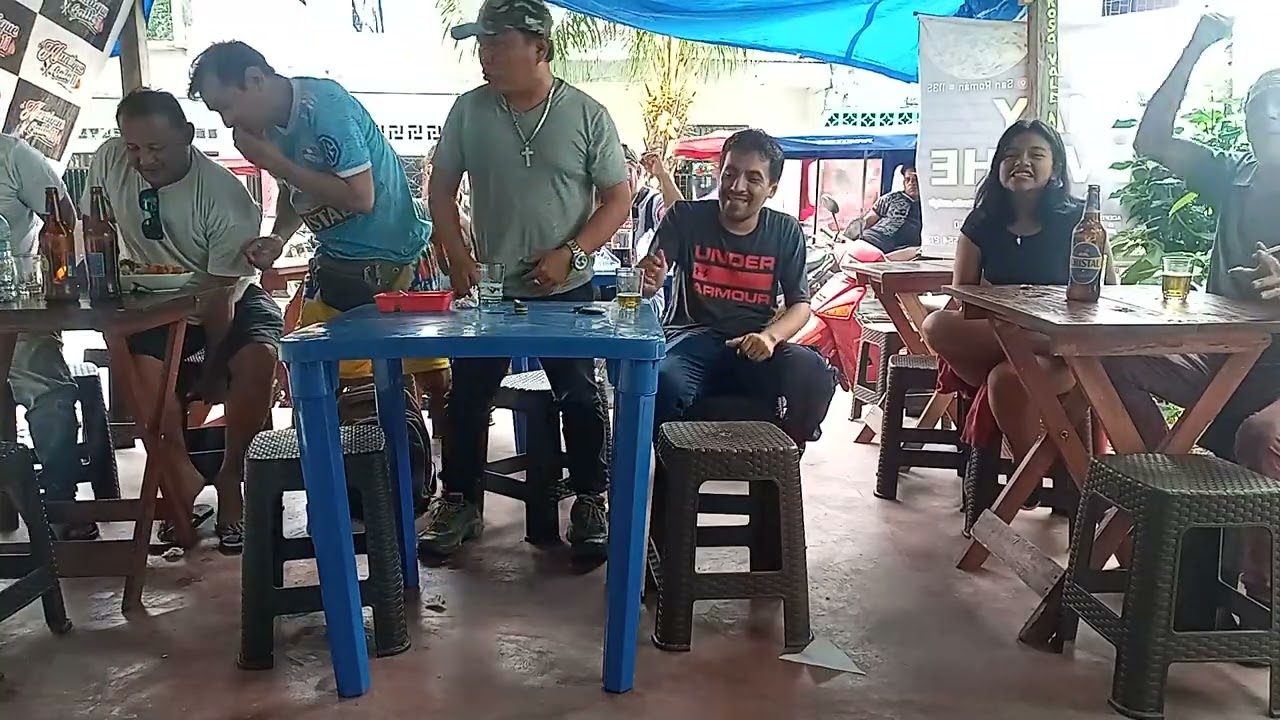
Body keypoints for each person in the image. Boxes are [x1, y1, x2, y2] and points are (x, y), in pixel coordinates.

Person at [421, 0, 630, 560]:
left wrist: (572, 252)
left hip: (567, 290)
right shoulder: (469, 111)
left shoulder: (588, 114)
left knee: (582, 396)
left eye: (497, 44)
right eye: (481, 45)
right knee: (467, 397)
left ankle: (590, 499)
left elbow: (618, 200)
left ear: (539, 48)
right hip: (490, 293)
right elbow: (439, 189)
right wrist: (456, 252)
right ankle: (459, 499)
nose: (485, 56)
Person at [1103, 13, 1280, 602]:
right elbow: (1149, 140)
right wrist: (1196, 46)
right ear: (1248, 118)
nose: (1272, 111)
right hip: (1220, 364)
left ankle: (1259, 599)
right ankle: (1177, 486)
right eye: (1261, 101)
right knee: (1112, 363)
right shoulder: (1232, 176)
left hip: (1274, 387)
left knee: (1260, 437)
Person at [84, 89, 282, 552]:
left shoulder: (224, 195)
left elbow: (218, 297)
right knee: (141, 378)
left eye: (156, 148)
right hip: (150, 301)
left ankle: (234, 480)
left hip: (224, 296)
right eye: (133, 147)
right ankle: (181, 481)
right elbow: (95, 227)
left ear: (188, 137)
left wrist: (213, 371)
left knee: (257, 357)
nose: (143, 160)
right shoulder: (110, 161)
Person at [187, 41, 447, 394]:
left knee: (432, 381)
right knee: (333, 385)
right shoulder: (267, 130)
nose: (229, 121)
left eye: (228, 106)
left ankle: (436, 446)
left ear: (255, 78)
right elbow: (296, 192)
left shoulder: (325, 106)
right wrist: (279, 237)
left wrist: (275, 162)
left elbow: (361, 197)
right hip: (337, 267)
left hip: (398, 258)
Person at [921, 120, 1112, 462]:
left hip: (1069, 354)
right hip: (1006, 341)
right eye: (1011, 155)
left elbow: (1109, 291)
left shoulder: (1080, 222)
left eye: (1035, 154)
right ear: (998, 167)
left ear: (1055, 168)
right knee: (937, 326)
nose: (1021, 162)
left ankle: (1028, 475)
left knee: (1005, 378)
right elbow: (963, 299)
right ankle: (1032, 473)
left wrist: (1060, 335)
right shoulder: (982, 222)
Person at [638, 129, 837, 447]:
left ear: (771, 188)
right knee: (661, 383)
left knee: (814, 373)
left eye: (753, 179)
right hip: (690, 342)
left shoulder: (785, 231)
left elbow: (800, 305)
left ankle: (782, 455)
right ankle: (674, 472)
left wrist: (770, 337)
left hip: (754, 346)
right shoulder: (685, 217)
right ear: (719, 172)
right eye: (730, 174)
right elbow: (647, 280)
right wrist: (649, 282)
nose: (737, 187)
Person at [0, 133, 91, 539]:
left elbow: (63, 215)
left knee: (48, 389)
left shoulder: (12, 154)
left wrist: (38, 270)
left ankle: (59, 499)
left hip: (14, 304)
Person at [845, 161, 922, 258]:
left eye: (916, 180)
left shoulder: (931, 205)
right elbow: (867, 221)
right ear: (904, 182)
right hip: (870, 240)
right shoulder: (889, 198)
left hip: (901, 251)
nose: (912, 183)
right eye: (908, 179)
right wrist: (848, 235)